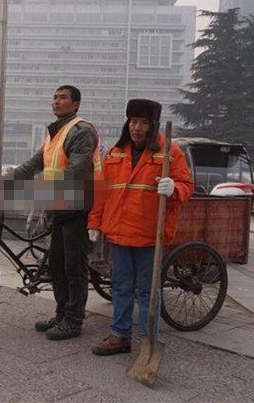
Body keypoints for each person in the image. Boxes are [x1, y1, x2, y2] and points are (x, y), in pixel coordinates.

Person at [88, 99, 193, 356]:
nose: (136, 127)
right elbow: (101, 192)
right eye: (133, 121)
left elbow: (186, 185)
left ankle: (149, 338)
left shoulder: (169, 152)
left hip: (149, 235)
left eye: (143, 122)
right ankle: (120, 335)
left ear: (153, 124)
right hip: (118, 232)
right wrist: (94, 222)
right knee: (120, 287)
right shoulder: (115, 152)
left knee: (147, 291)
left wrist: (174, 188)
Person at [10, 85, 97, 340]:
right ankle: (61, 314)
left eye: (63, 98)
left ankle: (74, 320)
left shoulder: (81, 131)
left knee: (74, 267)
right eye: (55, 98)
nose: (56, 102)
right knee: (57, 265)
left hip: (77, 208)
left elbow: (76, 170)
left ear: (76, 104)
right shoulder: (54, 133)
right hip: (59, 207)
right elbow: (34, 164)